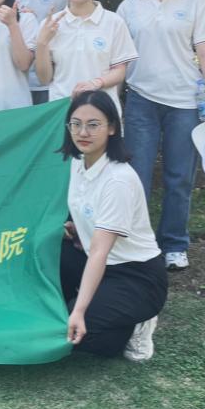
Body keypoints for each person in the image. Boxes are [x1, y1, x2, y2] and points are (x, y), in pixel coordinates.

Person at [117, 0, 205, 271]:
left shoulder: (195, 3)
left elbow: (204, 52)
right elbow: (118, 58)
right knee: (136, 175)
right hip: (140, 100)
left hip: (185, 102)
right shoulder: (129, 6)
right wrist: (112, 101)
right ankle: (136, 242)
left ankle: (175, 245)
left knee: (179, 177)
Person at [59, 90, 167, 361]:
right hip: (94, 260)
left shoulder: (118, 179)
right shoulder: (77, 163)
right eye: (76, 124)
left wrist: (79, 311)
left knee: (72, 330)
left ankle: (136, 324)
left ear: (112, 128)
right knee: (46, 257)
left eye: (93, 124)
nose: (83, 132)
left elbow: (100, 252)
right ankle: (98, 306)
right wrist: (76, 228)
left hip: (136, 276)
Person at [35, 0, 137, 114]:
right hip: (62, 112)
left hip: (102, 113)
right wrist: (42, 42)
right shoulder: (50, 25)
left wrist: (95, 83)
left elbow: (119, 71)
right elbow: (44, 78)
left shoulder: (114, 22)